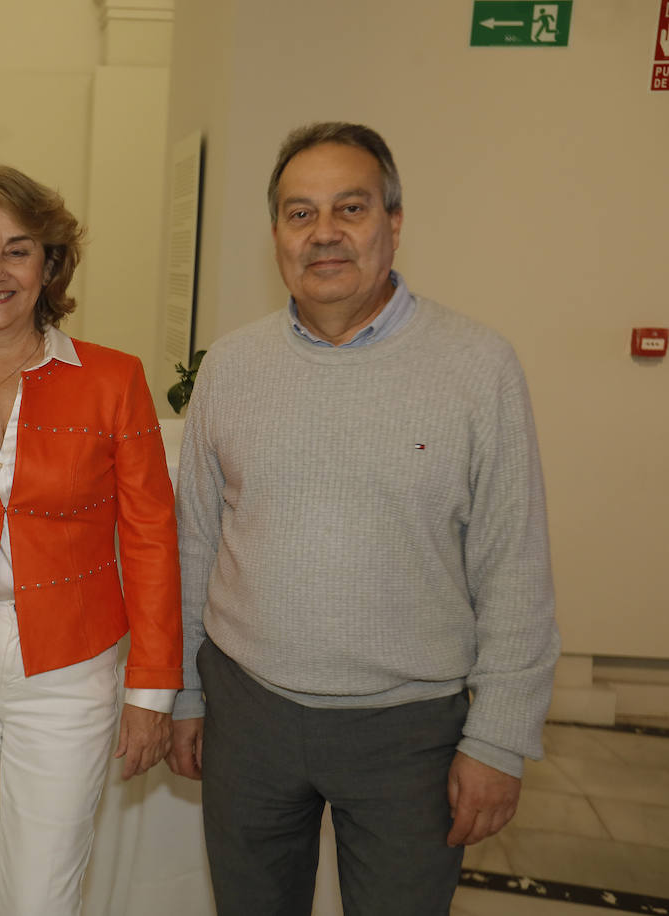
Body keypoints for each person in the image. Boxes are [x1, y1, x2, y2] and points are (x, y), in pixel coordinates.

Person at [167, 122, 560, 915]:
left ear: (394, 221)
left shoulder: (478, 367)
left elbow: (514, 565)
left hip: (409, 736)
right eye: (299, 213)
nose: (325, 234)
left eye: (350, 208)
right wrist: (185, 694)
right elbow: (195, 544)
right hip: (250, 717)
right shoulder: (233, 367)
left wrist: (499, 739)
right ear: (276, 232)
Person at [0, 164, 182, 916]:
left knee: (42, 893)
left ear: (50, 264)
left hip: (70, 673)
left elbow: (150, 536)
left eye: (17, 249)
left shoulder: (114, 381)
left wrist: (151, 689)